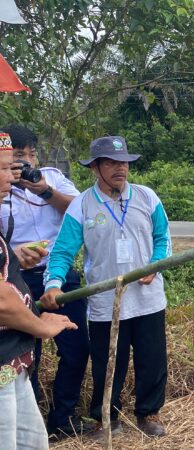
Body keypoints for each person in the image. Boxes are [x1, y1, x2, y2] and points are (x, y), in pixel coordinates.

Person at [41, 136, 172, 437]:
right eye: (111, 163)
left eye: (123, 162)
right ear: (95, 168)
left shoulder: (146, 197)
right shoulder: (81, 206)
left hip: (147, 297)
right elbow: (62, 252)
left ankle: (148, 413)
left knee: (152, 358)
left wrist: (154, 265)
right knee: (107, 362)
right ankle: (106, 418)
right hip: (104, 301)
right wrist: (54, 284)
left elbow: (163, 239)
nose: (120, 168)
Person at [0, 124, 89, 438]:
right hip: (16, 278)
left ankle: (63, 418)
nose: (23, 164)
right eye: (15, 158)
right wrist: (13, 253)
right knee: (25, 352)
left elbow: (81, 212)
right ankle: (31, 417)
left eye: (28, 155)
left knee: (77, 345)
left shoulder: (50, 177)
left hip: (59, 272)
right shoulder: (1, 185)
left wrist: (45, 191)